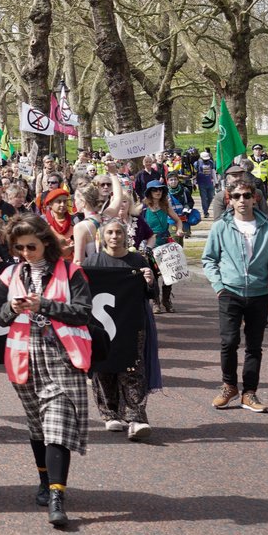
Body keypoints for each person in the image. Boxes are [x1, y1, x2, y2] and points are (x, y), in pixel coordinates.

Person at [0, 214, 94, 529]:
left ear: (45, 242)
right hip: (24, 358)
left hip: (63, 357)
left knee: (58, 425)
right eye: (19, 247)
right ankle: (43, 481)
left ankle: (56, 497)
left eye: (31, 246)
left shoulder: (72, 272)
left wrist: (45, 306)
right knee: (38, 427)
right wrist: (14, 308)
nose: (25, 253)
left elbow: (83, 313)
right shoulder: (9, 275)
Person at [201, 177, 268, 413]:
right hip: (230, 292)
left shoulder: (267, 228)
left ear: (254, 198)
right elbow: (209, 259)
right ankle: (229, 386)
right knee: (229, 342)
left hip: (259, 294)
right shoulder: (221, 226)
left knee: (254, 346)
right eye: (236, 196)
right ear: (230, 200)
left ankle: (250, 393)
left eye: (247, 196)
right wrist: (219, 286)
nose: (242, 200)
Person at [82, 219, 158, 439]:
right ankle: (110, 413)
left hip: (133, 324)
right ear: (103, 237)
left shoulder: (137, 260)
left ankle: (136, 416)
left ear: (126, 236)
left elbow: (151, 292)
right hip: (101, 326)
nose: (114, 237)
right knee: (103, 367)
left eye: (118, 233)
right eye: (110, 233)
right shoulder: (93, 261)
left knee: (133, 368)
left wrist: (149, 280)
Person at [140, 181, 185, 313]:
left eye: (160, 190)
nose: (158, 192)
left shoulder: (165, 206)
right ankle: (156, 302)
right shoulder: (143, 208)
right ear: (149, 193)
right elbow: (132, 217)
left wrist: (179, 230)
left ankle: (166, 301)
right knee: (153, 275)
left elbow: (178, 220)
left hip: (165, 243)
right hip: (150, 245)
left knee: (169, 274)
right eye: (154, 190)